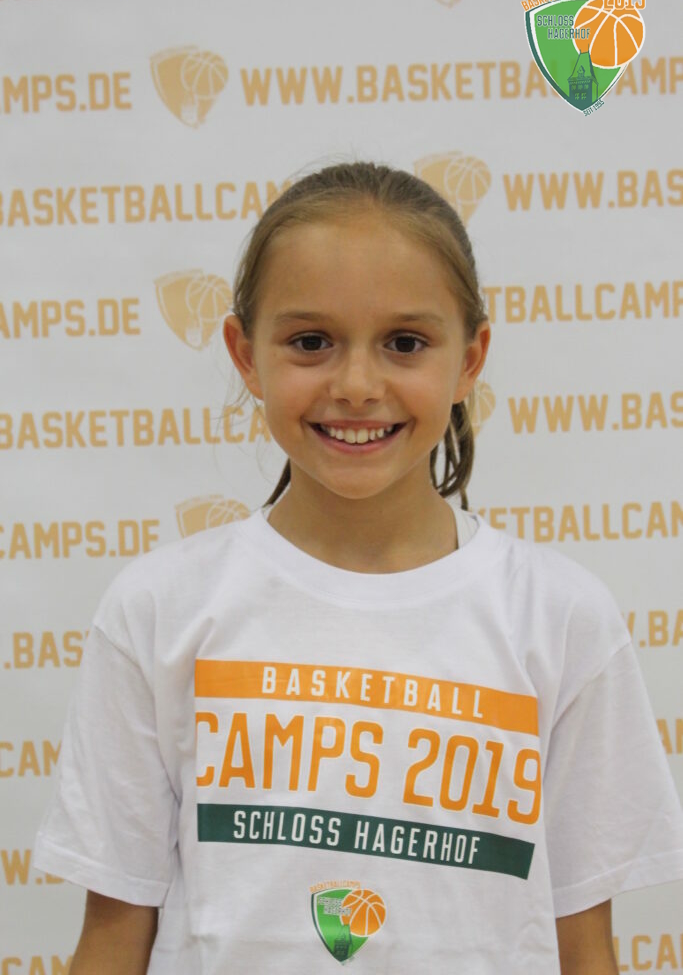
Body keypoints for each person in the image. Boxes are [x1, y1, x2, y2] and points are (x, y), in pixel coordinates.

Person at [35, 161, 683, 974]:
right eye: (311, 342)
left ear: (470, 359)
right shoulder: (158, 609)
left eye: (404, 343)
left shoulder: (562, 619)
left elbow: (584, 951)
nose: (355, 385)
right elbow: (111, 937)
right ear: (244, 354)